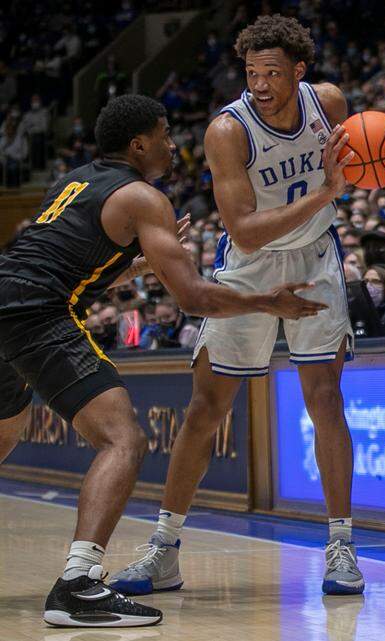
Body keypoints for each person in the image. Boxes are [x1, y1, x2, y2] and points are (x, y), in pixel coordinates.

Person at [0, 94, 325, 627]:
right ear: (139, 143)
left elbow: (80, 267)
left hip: (9, 297)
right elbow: (194, 298)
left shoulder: (74, 181)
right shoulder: (143, 198)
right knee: (124, 440)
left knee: (6, 432)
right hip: (36, 313)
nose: (174, 146)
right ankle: (79, 585)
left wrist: (140, 268)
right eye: (166, 134)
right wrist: (268, 301)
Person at [108, 16, 369, 599]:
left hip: (315, 258)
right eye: (252, 73)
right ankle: (164, 549)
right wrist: (328, 192)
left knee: (325, 397)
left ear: (299, 72)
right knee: (206, 405)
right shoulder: (229, 131)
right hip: (252, 265)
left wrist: (371, 166)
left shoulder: (328, 102)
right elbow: (245, 232)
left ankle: (342, 546)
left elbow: (361, 163)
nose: (260, 84)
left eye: (272, 72)